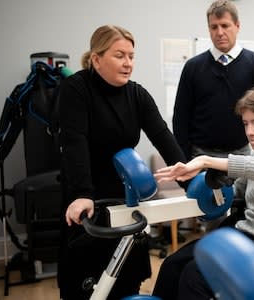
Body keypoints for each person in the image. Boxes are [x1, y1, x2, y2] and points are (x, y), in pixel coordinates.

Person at [152, 85, 254, 300]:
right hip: (246, 232)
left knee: (195, 276)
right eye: (246, 124)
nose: (250, 131)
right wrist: (215, 186)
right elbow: (237, 191)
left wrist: (206, 160)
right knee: (173, 265)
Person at [57, 25, 187, 300]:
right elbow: (74, 142)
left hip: (126, 195)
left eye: (131, 56)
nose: (128, 63)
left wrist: (188, 176)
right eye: (120, 55)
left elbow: (163, 136)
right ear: (96, 59)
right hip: (87, 194)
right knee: (86, 283)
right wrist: (82, 194)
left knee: (127, 279)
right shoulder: (76, 89)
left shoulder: (136, 94)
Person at [173, 0, 254, 162]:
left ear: (237, 26)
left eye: (225, 25)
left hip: (241, 154)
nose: (220, 32)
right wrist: (183, 159)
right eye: (214, 27)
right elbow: (181, 116)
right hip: (200, 155)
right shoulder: (193, 67)